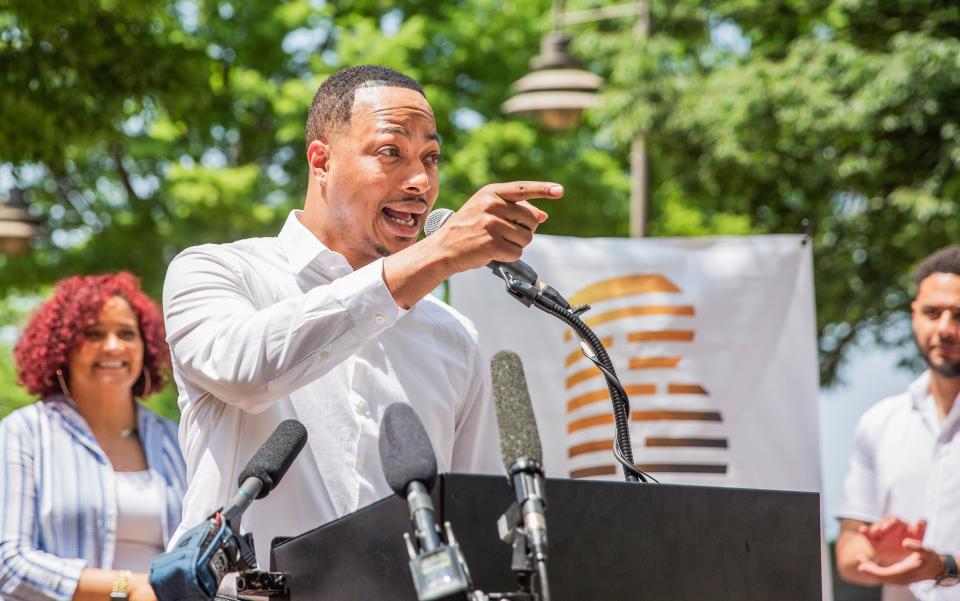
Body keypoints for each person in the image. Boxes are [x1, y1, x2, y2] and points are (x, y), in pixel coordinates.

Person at [162, 64, 564, 573]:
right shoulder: (218, 271)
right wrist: (431, 259)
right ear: (321, 161)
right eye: (390, 152)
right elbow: (247, 372)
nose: (420, 181)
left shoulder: (452, 336)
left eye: (431, 158)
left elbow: (474, 517)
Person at [0, 272, 186, 601]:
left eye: (127, 333)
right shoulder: (24, 433)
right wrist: (127, 587)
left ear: (146, 347)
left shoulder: (176, 439)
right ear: (61, 348)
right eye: (94, 334)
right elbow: (9, 564)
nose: (113, 346)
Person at [836, 245, 960, 600]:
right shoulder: (879, 422)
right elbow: (847, 552)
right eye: (933, 313)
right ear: (914, 315)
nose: (945, 329)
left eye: (959, 315)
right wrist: (880, 553)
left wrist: (944, 566)